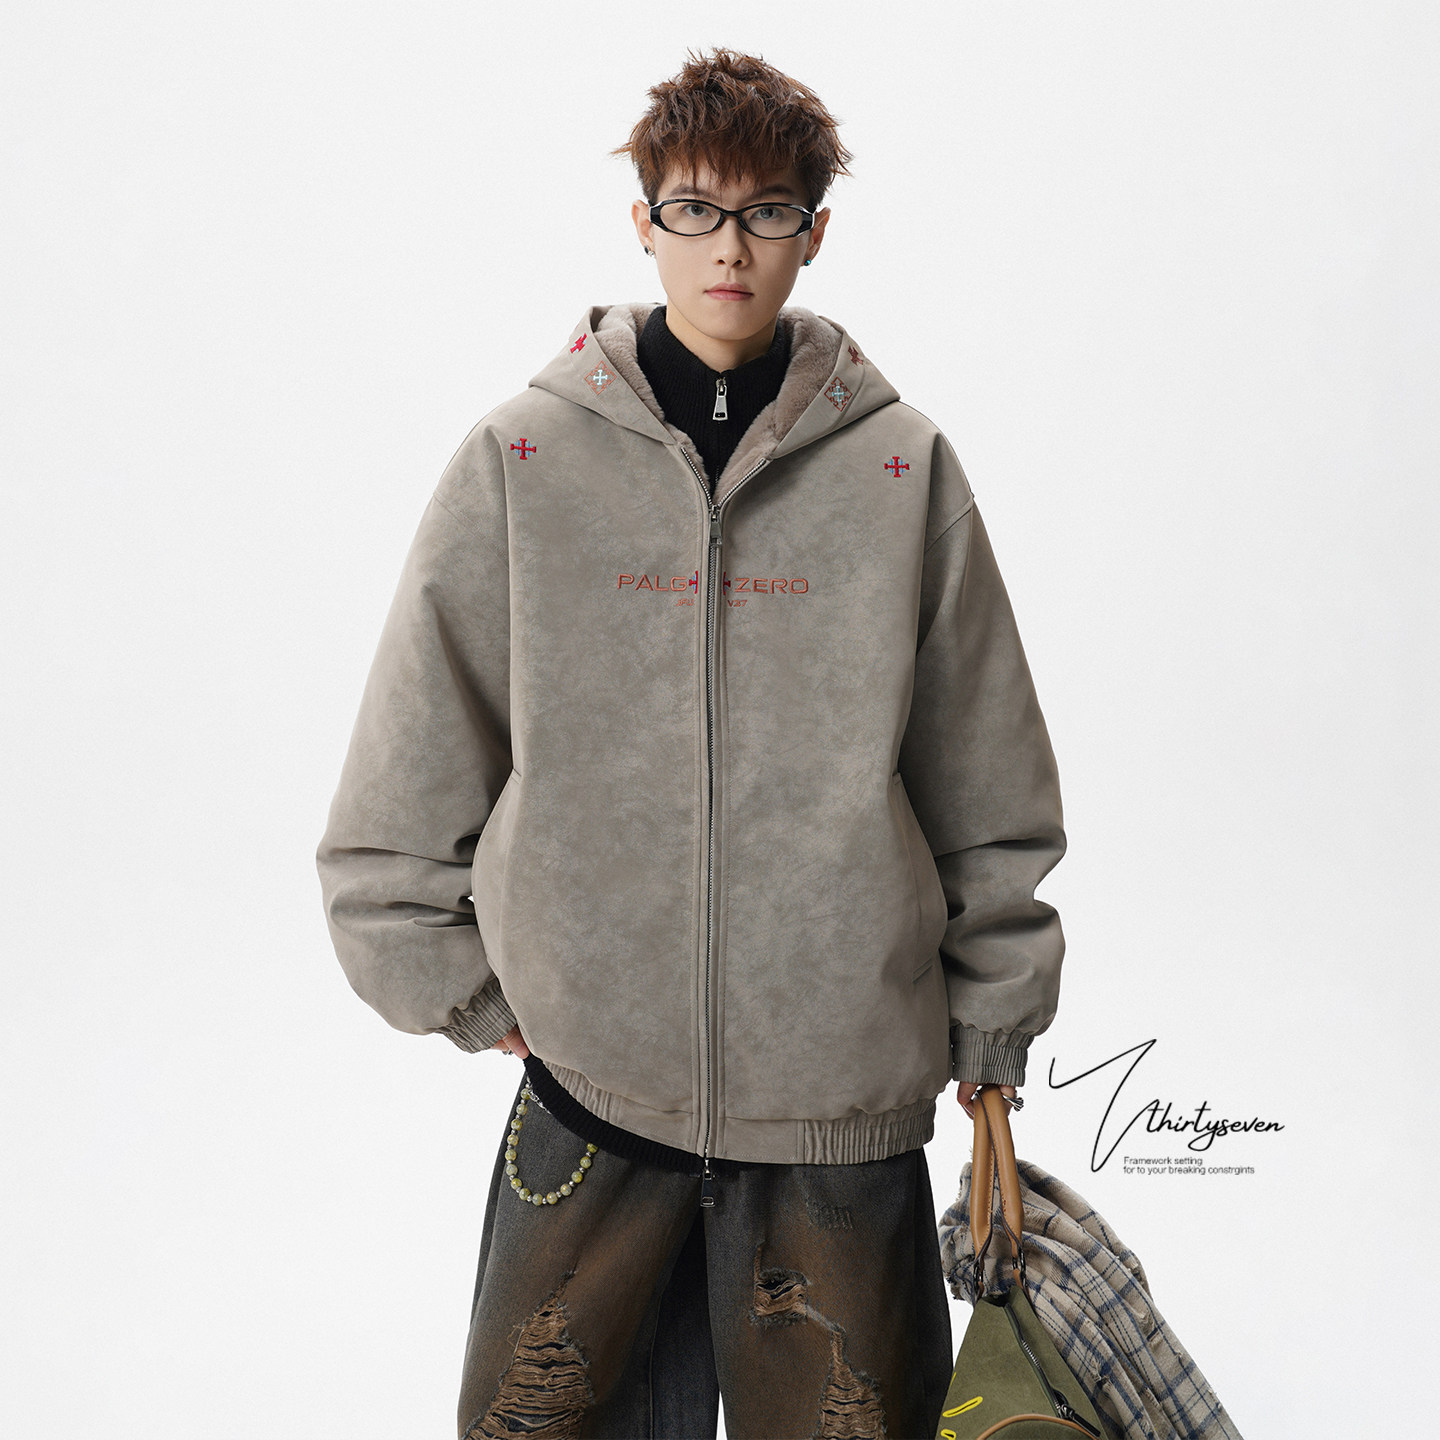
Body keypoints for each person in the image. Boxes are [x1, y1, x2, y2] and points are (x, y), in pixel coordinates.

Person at [317, 46, 1066, 1440]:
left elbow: (989, 781)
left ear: (814, 232)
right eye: (698, 210)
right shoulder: (522, 460)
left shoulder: (902, 470)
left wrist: (996, 1018)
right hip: (589, 1092)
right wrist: (463, 990)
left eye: (768, 212)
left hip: (841, 1098)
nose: (731, 247)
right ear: (645, 222)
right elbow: (408, 766)